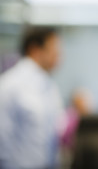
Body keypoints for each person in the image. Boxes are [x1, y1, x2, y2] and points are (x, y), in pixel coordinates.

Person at [0, 26, 65, 169]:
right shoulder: (9, 86)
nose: (59, 54)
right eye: (54, 48)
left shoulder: (50, 86)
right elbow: (2, 141)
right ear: (35, 49)